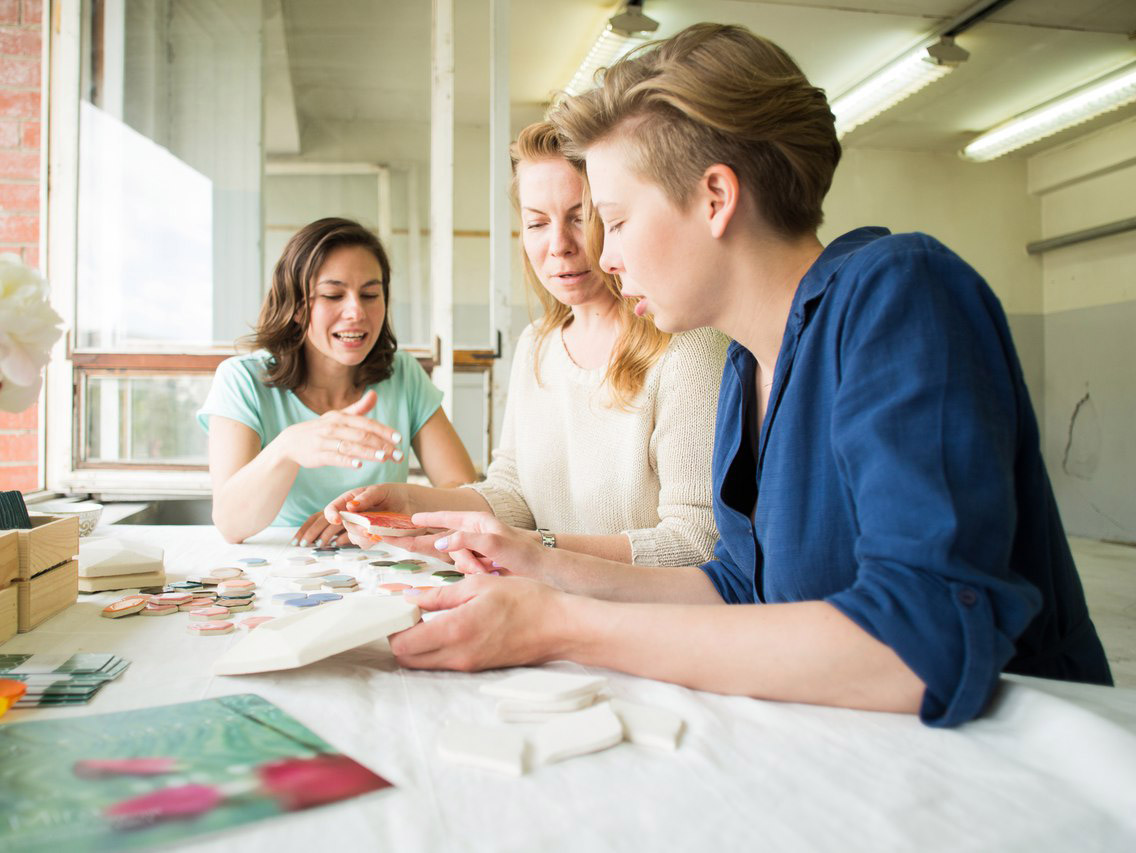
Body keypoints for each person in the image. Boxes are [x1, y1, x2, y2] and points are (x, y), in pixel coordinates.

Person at [370, 24, 1112, 728]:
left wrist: (561, 624)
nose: (607, 255)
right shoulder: (747, 364)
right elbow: (736, 587)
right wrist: (536, 562)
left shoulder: (898, 292)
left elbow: (919, 642)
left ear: (716, 198)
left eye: (617, 220)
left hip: (1022, 769)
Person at [328, 122, 728, 566]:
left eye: (581, 218)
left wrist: (539, 551)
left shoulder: (688, 348)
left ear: (616, 220)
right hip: (545, 604)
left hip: (634, 623)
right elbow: (513, 491)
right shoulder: (536, 345)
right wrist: (411, 503)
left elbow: (697, 545)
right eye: (537, 223)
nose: (559, 245)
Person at [198, 217, 476, 544]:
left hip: (378, 561)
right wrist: (287, 448)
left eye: (371, 294)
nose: (356, 311)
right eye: (333, 295)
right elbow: (231, 524)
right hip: (281, 564)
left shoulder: (404, 375)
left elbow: (463, 491)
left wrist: (380, 517)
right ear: (297, 306)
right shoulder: (241, 380)